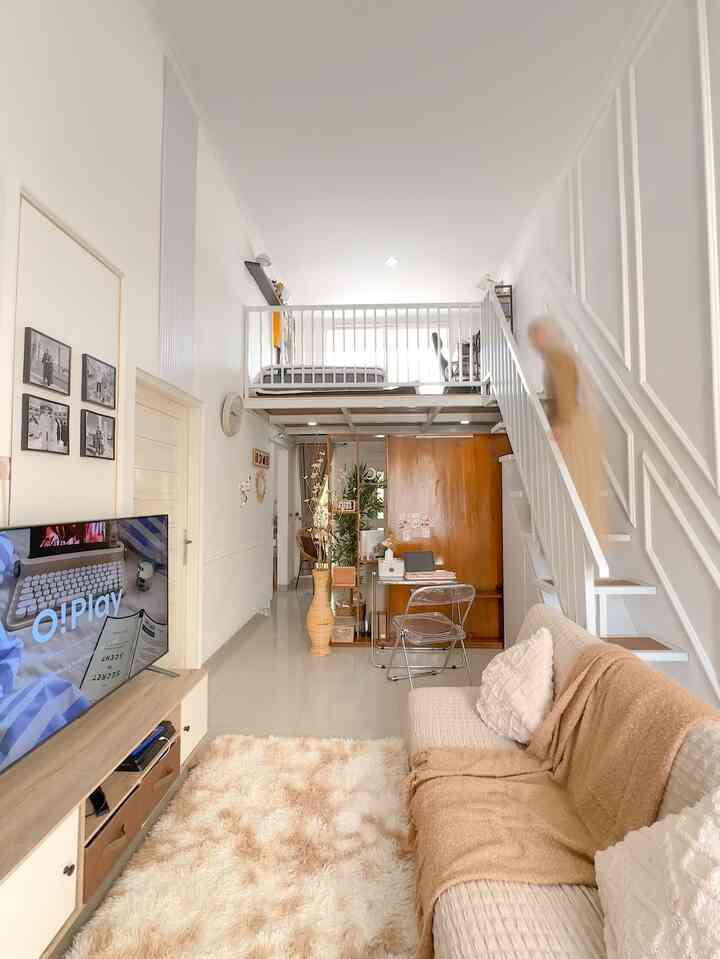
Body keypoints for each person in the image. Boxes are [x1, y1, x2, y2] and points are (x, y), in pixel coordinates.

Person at [528, 317, 606, 538]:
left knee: (580, 483)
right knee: (578, 484)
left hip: (574, 425)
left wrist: (561, 424)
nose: (533, 343)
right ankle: (584, 534)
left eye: (535, 336)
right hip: (577, 422)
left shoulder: (558, 357)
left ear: (544, 335)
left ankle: (585, 536)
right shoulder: (559, 356)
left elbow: (565, 391)